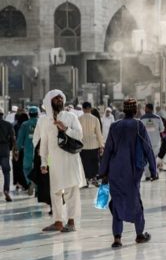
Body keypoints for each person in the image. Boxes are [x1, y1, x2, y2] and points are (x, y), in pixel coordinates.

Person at [99, 98, 157, 248]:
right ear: (136, 110)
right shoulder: (138, 126)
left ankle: (117, 238)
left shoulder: (114, 126)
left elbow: (108, 151)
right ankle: (139, 235)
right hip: (132, 172)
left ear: (124, 110)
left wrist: (103, 171)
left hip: (115, 171)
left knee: (117, 202)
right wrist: (153, 169)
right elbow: (148, 148)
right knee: (135, 202)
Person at [39, 90, 85, 232]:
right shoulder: (45, 121)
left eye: (61, 98)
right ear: (49, 102)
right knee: (56, 191)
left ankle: (71, 221)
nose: (59, 101)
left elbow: (79, 135)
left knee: (71, 191)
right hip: (55, 161)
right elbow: (44, 143)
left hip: (70, 159)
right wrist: (43, 162)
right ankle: (58, 221)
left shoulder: (70, 116)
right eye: (56, 99)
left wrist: (65, 129)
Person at [78, 102, 105, 187]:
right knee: (94, 162)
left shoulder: (79, 119)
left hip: (83, 145)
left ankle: (85, 180)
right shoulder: (95, 119)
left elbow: (78, 133)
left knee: (85, 163)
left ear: (83, 109)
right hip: (94, 145)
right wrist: (101, 145)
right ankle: (94, 179)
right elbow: (98, 133)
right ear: (90, 108)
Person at [140, 103, 164, 181]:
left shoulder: (142, 119)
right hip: (156, 142)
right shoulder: (158, 118)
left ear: (147, 109)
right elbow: (162, 129)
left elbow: (139, 131)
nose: (144, 109)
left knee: (147, 158)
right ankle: (155, 173)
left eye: (145, 108)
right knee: (155, 158)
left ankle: (147, 175)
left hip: (146, 142)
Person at [17, 107, 38, 195]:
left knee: (26, 168)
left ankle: (30, 181)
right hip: (42, 151)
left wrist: (17, 149)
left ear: (29, 114)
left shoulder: (25, 124)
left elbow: (20, 139)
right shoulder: (42, 123)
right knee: (43, 169)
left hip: (28, 151)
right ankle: (38, 188)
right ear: (37, 114)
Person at [0, 109, 15, 201]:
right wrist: (14, 149)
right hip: (4, 149)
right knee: (6, 172)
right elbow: (13, 138)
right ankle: (6, 190)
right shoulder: (8, 124)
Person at [12, 108, 29, 192]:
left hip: (17, 148)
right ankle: (25, 183)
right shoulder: (27, 124)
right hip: (26, 148)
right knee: (24, 166)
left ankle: (18, 183)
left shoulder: (15, 125)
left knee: (17, 166)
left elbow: (13, 137)